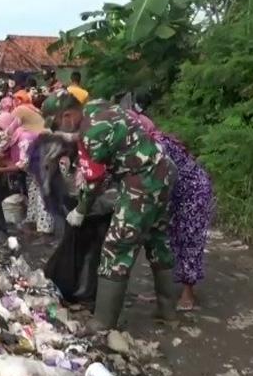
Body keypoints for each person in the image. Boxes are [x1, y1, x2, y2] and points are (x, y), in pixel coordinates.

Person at [43, 93, 178, 331]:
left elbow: (95, 181)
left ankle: (103, 321)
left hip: (142, 182)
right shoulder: (96, 106)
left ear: (67, 115)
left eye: (56, 124)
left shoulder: (91, 133)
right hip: (163, 171)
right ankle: (168, 312)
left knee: (116, 247)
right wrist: (75, 138)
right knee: (157, 239)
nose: (57, 129)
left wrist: (81, 210)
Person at [127, 97, 213, 311]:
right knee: (168, 238)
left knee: (188, 239)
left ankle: (188, 293)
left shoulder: (157, 147)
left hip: (193, 192)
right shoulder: (146, 145)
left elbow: (157, 180)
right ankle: (165, 290)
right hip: (175, 192)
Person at [0, 106, 54, 234]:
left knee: (42, 198)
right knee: (33, 192)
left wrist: (1, 170)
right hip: (38, 168)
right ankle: (32, 221)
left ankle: (45, 231)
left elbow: (22, 164)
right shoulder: (13, 135)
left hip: (49, 165)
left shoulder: (24, 137)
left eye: (0, 128)